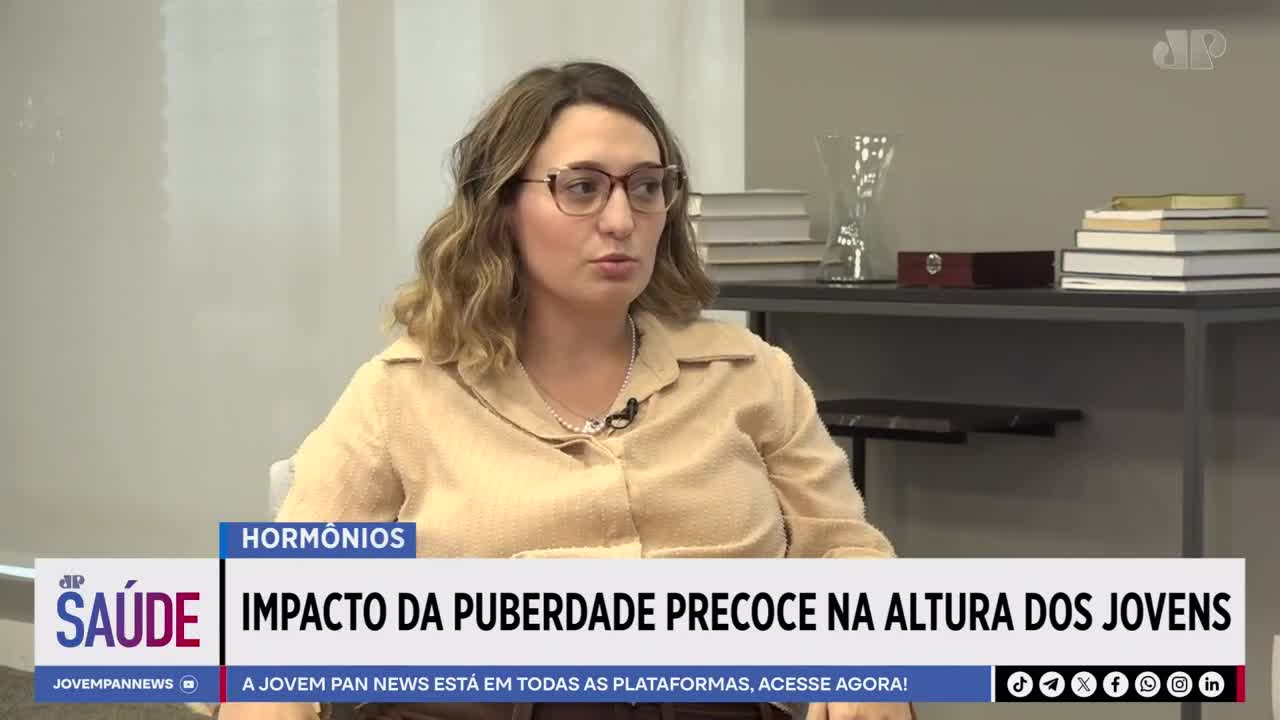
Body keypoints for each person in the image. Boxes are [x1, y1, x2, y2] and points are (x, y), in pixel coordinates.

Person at [218, 61, 910, 720]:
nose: (621, 220)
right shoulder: (403, 391)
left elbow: (842, 548)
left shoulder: (751, 374)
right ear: (501, 208)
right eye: (581, 188)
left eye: (646, 187)